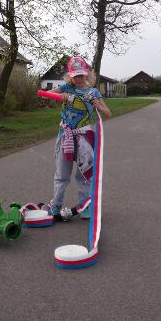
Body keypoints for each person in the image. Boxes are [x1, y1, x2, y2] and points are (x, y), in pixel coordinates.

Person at [47, 56, 112, 222]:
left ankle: (85, 206)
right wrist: (60, 96)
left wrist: (97, 104)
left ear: (87, 74)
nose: (78, 78)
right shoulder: (66, 87)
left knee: (84, 174)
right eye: (75, 76)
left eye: (81, 75)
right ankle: (56, 205)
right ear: (70, 76)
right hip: (66, 136)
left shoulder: (93, 92)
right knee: (62, 174)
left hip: (84, 138)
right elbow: (46, 95)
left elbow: (108, 113)